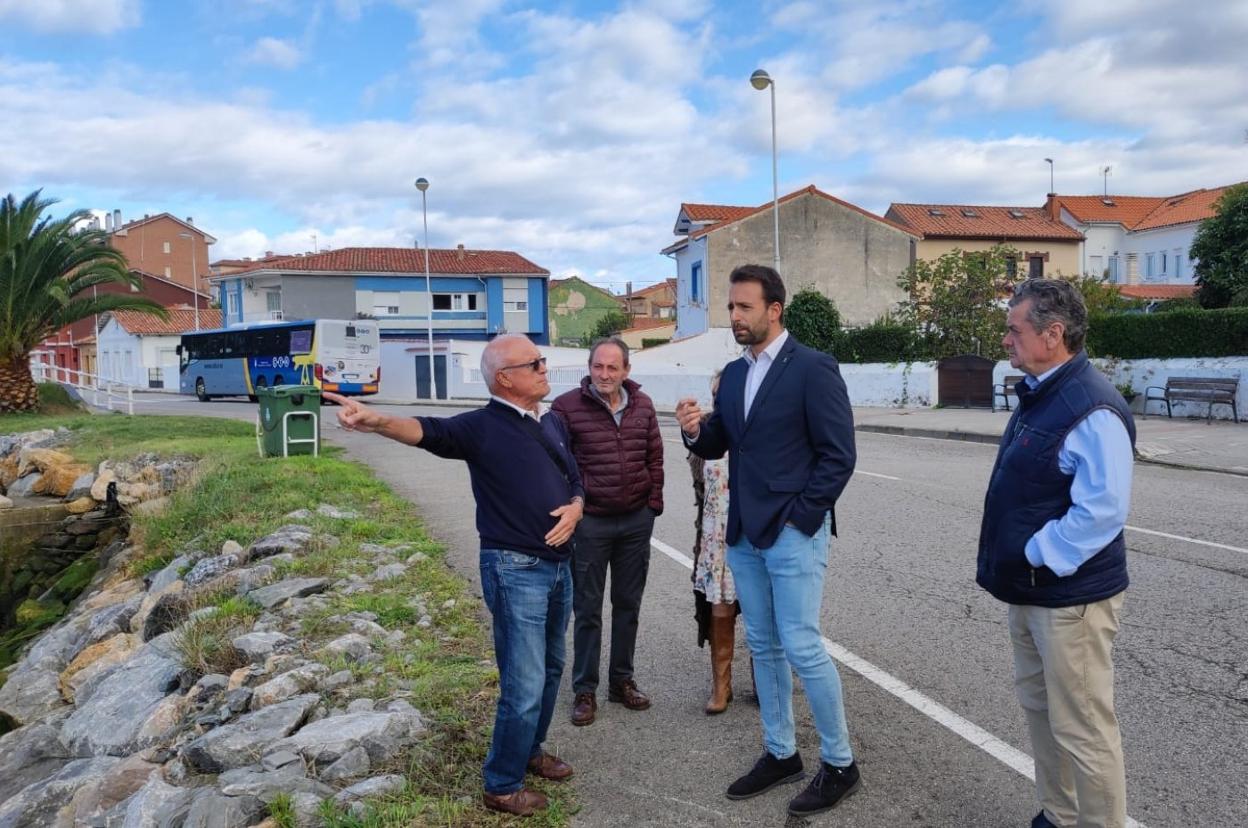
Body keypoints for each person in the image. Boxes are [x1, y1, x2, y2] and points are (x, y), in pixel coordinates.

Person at [323, 333, 584, 819]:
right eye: (536, 363)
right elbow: (426, 430)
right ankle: (502, 784)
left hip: (558, 567)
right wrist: (375, 418)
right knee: (523, 682)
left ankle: (529, 751)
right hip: (515, 570)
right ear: (506, 378)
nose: (546, 369)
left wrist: (576, 508)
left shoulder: (547, 423)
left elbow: (574, 477)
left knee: (550, 669)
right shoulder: (481, 427)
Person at [675, 264, 860, 819]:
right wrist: (693, 430)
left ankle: (840, 763)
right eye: (730, 307)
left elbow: (838, 456)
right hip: (743, 534)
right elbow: (719, 443)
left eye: (744, 307)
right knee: (766, 645)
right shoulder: (733, 376)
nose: (734, 316)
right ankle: (781, 752)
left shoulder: (813, 369)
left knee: (801, 644)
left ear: (775, 309)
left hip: (791, 534)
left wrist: (801, 520)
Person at [978, 279, 1135, 828]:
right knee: (1043, 713)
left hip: (1070, 599)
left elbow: (1104, 509)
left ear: (1053, 333)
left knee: (1085, 729)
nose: (1006, 341)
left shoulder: (1090, 406)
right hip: (1033, 593)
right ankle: (1059, 813)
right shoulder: (1042, 391)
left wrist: (1037, 553)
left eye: (1014, 330)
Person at [551, 336, 663, 726]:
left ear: (626, 370)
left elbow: (655, 456)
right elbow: (556, 462)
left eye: (612, 367)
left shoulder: (643, 406)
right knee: (587, 609)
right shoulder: (566, 407)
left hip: (635, 521)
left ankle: (622, 681)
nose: (604, 374)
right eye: (598, 366)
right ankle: (585, 690)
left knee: (628, 605)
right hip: (591, 523)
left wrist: (653, 505)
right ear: (589, 367)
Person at [688, 370, 741, 715]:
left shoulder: (755, 429)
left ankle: (766, 681)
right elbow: (699, 489)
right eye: (715, 394)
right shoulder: (708, 431)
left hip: (754, 534)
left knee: (764, 615)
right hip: (715, 540)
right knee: (720, 611)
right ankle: (721, 686)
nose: (719, 400)